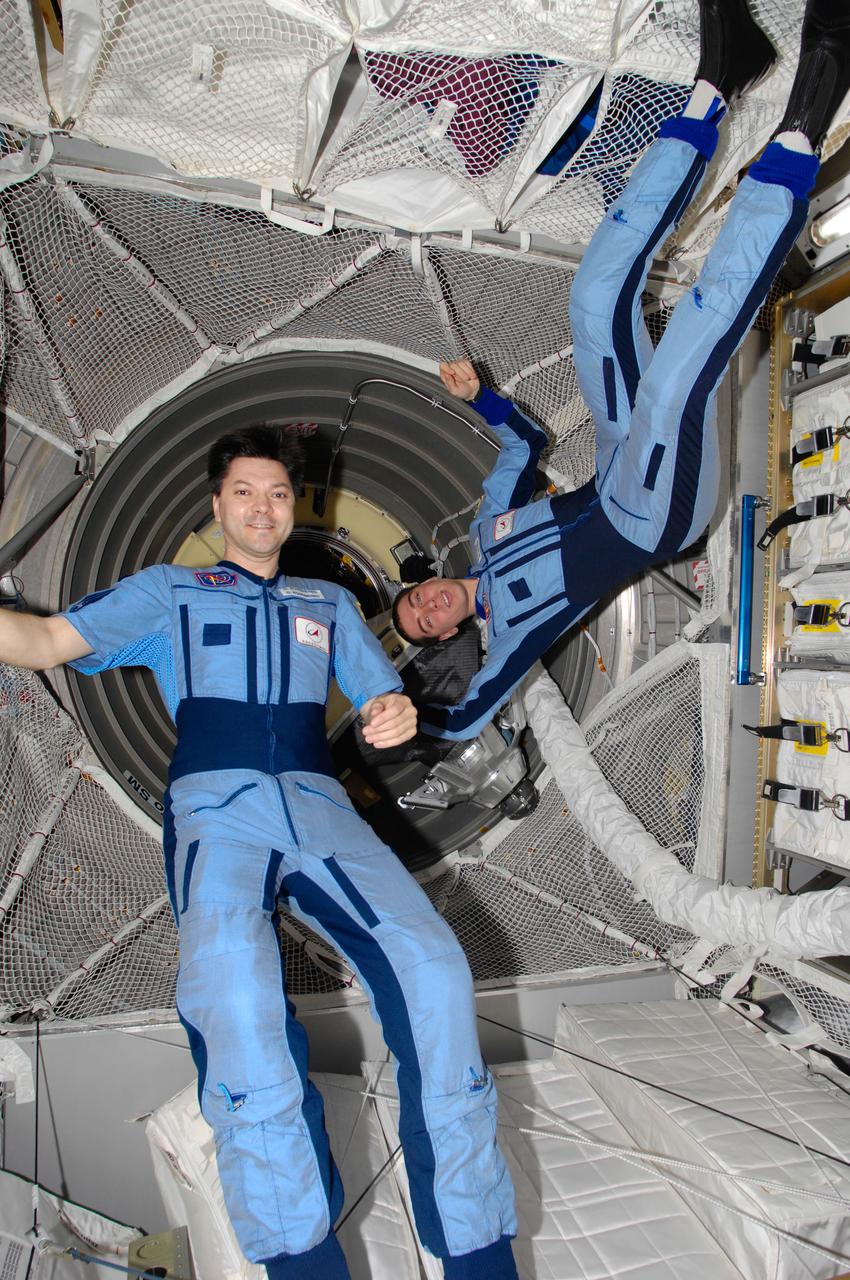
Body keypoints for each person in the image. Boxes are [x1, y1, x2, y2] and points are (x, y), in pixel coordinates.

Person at [0, 427, 519, 1279]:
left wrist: (392, 712)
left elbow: (383, 695)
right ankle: (303, 1261)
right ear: (218, 505)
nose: (262, 507)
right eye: (244, 491)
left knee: (435, 969)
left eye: (277, 493)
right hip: (218, 812)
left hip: (321, 812)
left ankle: (476, 1252)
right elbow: (46, 642)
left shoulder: (329, 604)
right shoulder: (170, 591)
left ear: (293, 507)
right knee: (237, 998)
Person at [393, 0, 850, 743]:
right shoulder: (512, 636)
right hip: (649, 519)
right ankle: (812, 106)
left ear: (427, 582)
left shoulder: (487, 530)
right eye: (425, 625)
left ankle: (717, 83)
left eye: (417, 601)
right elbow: (465, 717)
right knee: (673, 383)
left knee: (596, 300)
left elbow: (525, 447)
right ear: (445, 637)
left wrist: (483, 401)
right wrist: (410, 719)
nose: (429, 608)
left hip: (614, 463)